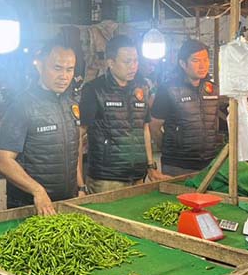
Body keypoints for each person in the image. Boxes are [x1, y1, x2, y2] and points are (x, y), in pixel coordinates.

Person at [0, 39, 85, 215]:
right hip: (31, 205)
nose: (64, 76)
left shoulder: (71, 104)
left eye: (70, 70)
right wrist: (37, 190)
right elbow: (3, 160)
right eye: (57, 68)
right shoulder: (21, 106)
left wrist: (80, 186)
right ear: (39, 66)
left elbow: (73, 149)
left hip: (66, 201)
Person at [79, 35, 168, 193]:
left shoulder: (141, 87)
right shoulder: (94, 89)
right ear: (110, 63)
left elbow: (144, 129)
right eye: (127, 62)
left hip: (138, 176)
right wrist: (79, 182)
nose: (133, 66)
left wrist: (150, 166)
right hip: (107, 179)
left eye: (136, 61)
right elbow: (78, 135)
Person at [149, 39, 221, 176]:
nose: (202, 65)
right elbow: (154, 125)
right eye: (196, 61)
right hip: (178, 166)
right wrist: (168, 148)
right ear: (183, 63)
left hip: (209, 164)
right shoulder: (168, 89)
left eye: (205, 60)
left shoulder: (212, 89)